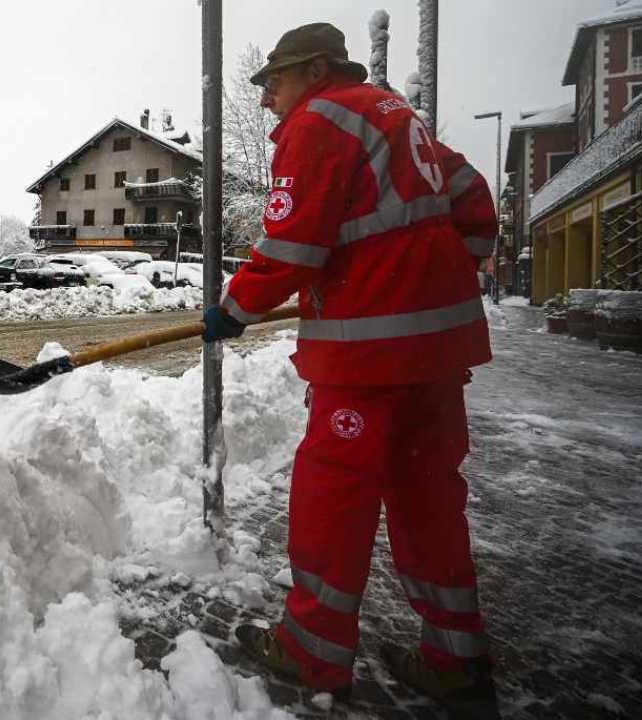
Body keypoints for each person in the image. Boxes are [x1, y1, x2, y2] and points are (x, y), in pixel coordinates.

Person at [201, 22, 500, 719]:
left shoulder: (321, 121)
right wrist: (448, 268)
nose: (268, 99)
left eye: (273, 82)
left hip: (371, 351)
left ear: (313, 71)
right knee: (428, 492)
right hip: (437, 347)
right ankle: (456, 656)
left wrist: (234, 308)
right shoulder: (401, 119)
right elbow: (474, 201)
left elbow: (294, 241)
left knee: (333, 494)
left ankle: (313, 650)